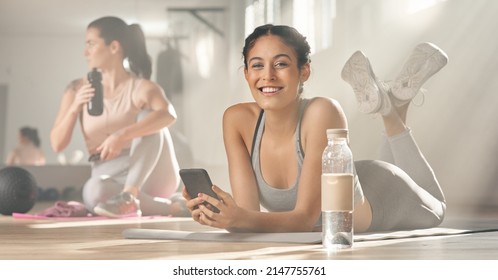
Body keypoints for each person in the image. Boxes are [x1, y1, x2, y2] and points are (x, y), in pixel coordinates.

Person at [183, 24, 447, 233]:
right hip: (356, 179)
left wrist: (239, 219)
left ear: (305, 71)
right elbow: (248, 217)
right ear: (246, 74)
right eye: (257, 65)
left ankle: (391, 111)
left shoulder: (322, 112)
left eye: (281, 63)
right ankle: (395, 104)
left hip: (387, 192)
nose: (268, 76)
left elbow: (305, 220)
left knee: (439, 208)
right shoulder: (236, 120)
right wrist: (221, 213)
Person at [50, 16, 187, 218]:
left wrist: (121, 135)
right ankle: (170, 207)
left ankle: (130, 195)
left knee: (150, 116)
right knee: (93, 192)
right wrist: (74, 107)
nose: (85, 52)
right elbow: (57, 145)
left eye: (91, 44)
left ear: (114, 47)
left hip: (153, 174)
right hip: (108, 175)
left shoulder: (142, 88)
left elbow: (168, 115)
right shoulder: (76, 89)